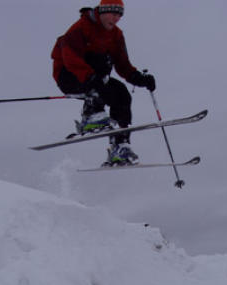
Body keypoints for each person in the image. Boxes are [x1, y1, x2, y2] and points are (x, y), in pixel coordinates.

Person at [51, 0, 156, 166]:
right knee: (99, 67)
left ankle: (120, 146)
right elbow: (70, 58)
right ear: (103, 11)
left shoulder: (116, 35)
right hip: (70, 76)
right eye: (113, 14)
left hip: (97, 79)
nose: (116, 19)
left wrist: (139, 78)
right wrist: (92, 80)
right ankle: (91, 115)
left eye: (120, 15)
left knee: (121, 94)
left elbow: (122, 64)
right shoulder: (81, 28)